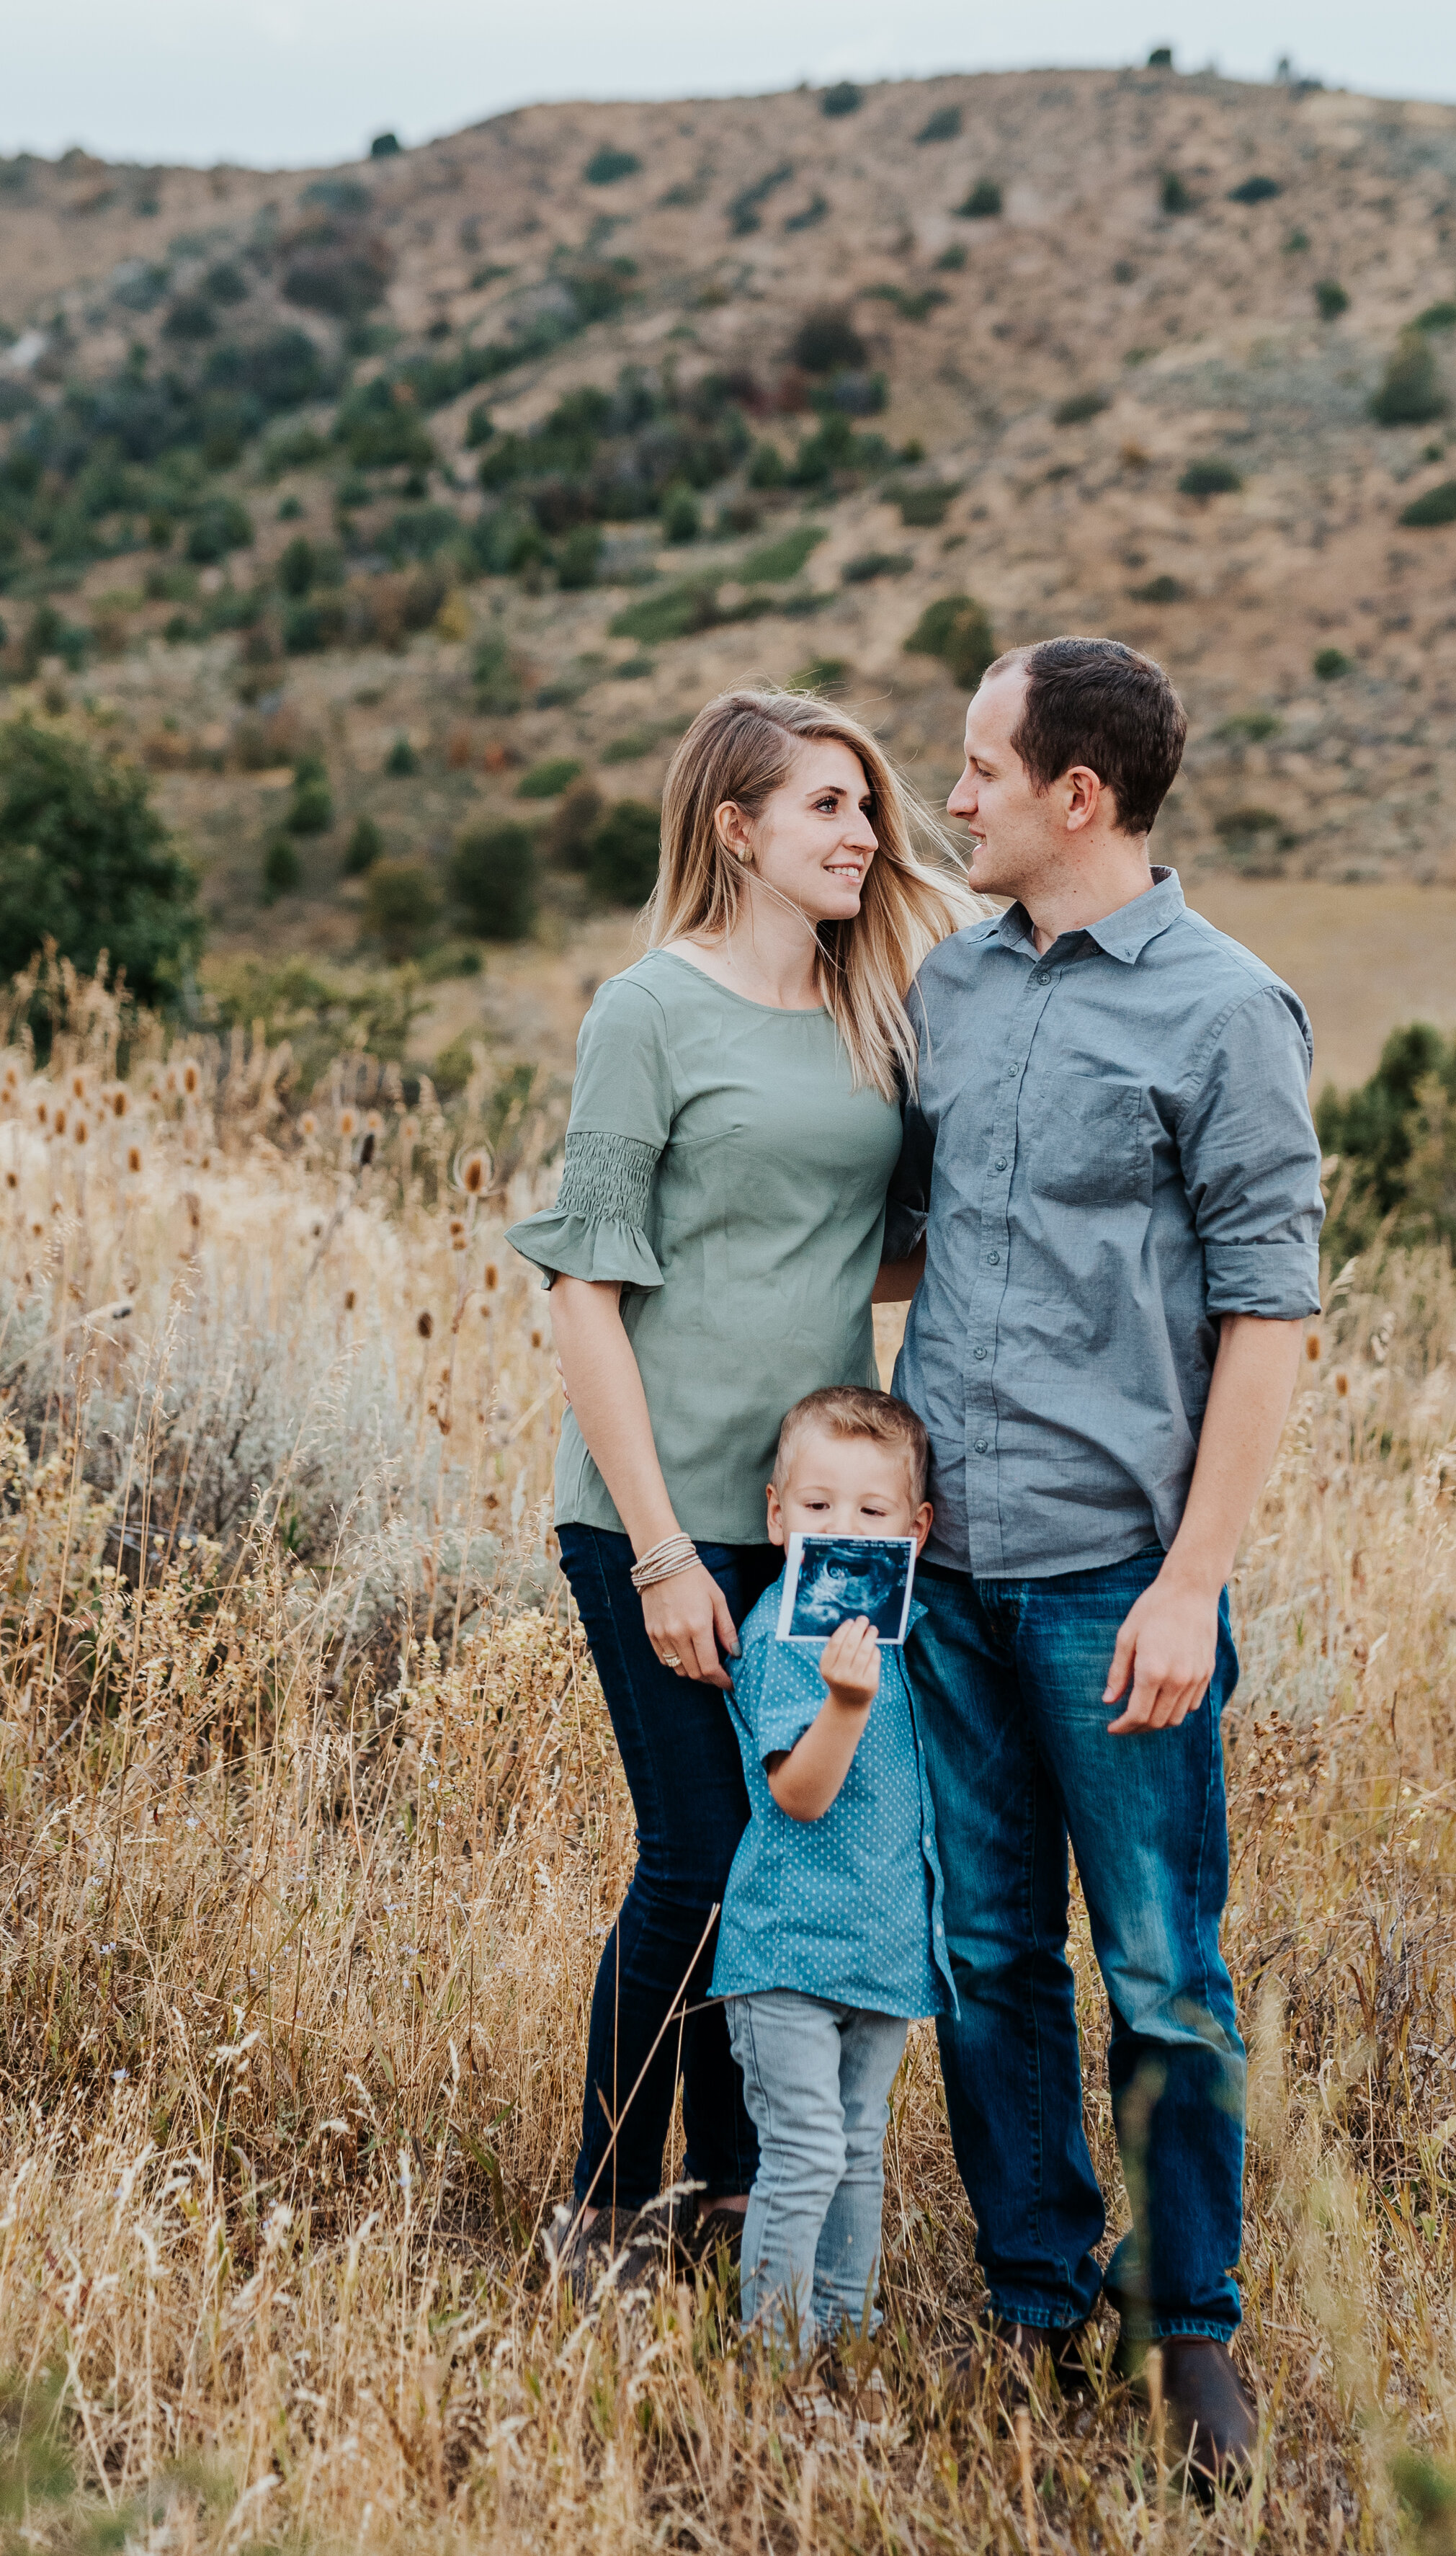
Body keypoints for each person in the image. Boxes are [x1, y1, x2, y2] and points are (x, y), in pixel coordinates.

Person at [885, 637, 1323, 2486]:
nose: (951, 797)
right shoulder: (954, 988)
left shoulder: (1227, 1011)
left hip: (1108, 1582)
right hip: (939, 1571)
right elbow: (904, 1239)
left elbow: (1268, 1308)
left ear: (1080, 795)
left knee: (1156, 1965)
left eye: (980, 767)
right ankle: (1032, 2296)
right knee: (986, 1953)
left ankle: (1191, 2328)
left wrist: (1189, 1580)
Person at [506, 689, 973, 2285]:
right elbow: (582, 1289)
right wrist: (654, 1554)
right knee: (698, 1854)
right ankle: (602, 2203)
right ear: (734, 829)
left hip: (816, 1520)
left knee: (781, 1860)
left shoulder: (870, 1011)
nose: (864, 834)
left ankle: (732, 2189)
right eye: (827, 807)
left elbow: (875, 1241)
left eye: (867, 808)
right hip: (658, 1510)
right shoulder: (647, 1009)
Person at [711, 1386, 953, 2351]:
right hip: (787, 1951)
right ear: (777, 1516)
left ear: (916, 1528)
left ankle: (846, 2327)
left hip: (883, 1946)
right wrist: (844, 1704)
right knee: (807, 2150)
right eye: (816, 1509)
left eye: (871, 1512)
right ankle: (774, 2347)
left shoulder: (903, 1633)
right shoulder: (785, 1635)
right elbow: (799, 1794)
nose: (841, 1530)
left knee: (859, 2150)